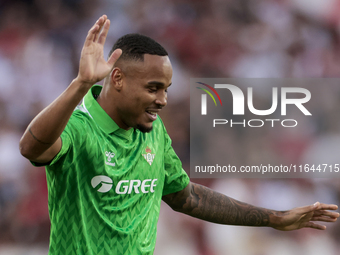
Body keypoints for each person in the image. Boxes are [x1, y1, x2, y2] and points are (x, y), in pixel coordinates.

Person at [19, 15, 339, 255]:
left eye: (166, 89)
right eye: (153, 88)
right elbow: (32, 148)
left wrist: (274, 218)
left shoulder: (152, 129)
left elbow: (186, 196)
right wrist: (81, 85)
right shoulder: (80, 126)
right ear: (117, 79)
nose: (163, 100)